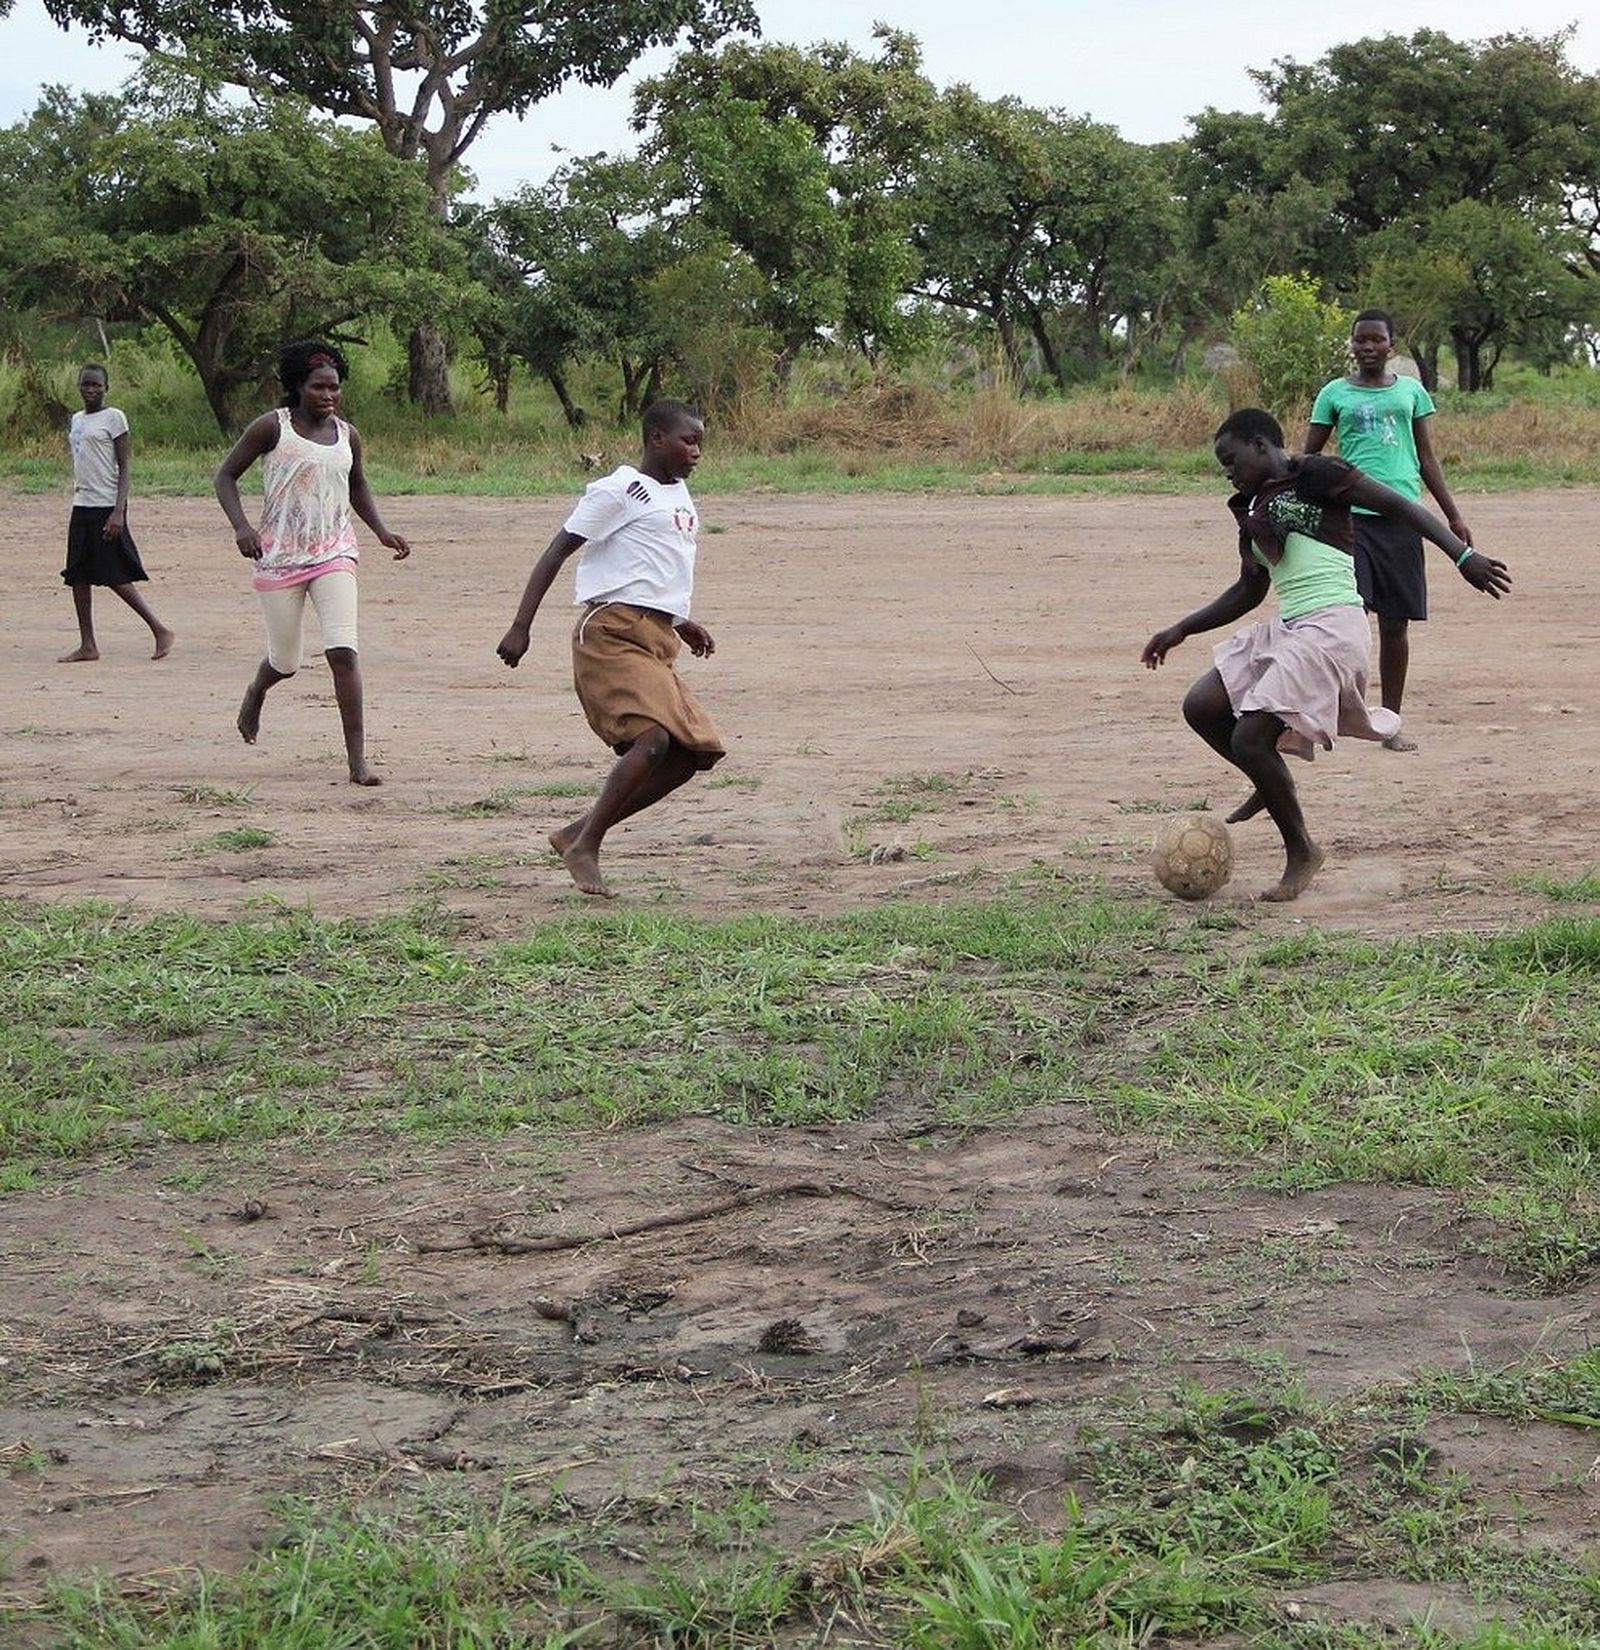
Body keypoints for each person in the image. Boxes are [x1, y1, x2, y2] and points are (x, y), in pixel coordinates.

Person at [1141, 408, 1510, 902]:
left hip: (1332, 627)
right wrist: (1182, 627)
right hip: (1292, 629)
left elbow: (1402, 507)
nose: (1227, 472)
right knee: (1201, 706)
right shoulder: (1250, 512)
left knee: (1250, 738)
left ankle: (1301, 850)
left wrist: (1463, 556)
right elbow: (1249, 591)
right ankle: (1268, 776)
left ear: (1261, 445)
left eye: (1231, 460)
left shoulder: (1315, 475)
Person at [496, 399, 724, 897]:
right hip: (611, 634)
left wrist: (681, 620)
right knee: (653, 741)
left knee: (691, 754)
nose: (697, 452)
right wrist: (521, 626)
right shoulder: (619, 490)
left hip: (657, 639)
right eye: (688, 441)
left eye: (701, 443)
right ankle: (586, 845)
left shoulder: (681, 495)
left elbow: (652, 567)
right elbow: (556, 552)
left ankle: (576, 833)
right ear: (656, 438)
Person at [214, 341, 411, 786]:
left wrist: (381, 531)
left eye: (334, 388)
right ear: (297, 388)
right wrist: (241, 527)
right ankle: (258, 690)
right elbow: (224, 476)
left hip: (334, 553)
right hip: (279, 557)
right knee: (285, 660)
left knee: (343, 652)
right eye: (319, 387)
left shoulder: (347, 434)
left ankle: (357, 760)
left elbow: (357, 484)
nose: (328, 395)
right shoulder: (271, 428)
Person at [1305, 309, 1471, 751]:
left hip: (1402, 522)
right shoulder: (1334, 394)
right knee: (1348, 621)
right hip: (1350, 522)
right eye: (1360, 340)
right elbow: (1310, 460)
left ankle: (1390, 722)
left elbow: (1427, 458)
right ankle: (1337, 714)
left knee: (1396, 625)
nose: (1368, 347)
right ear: (1352, 345)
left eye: (1377, 340)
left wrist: (1452, 515)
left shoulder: (1411, 393)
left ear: (1390, 347)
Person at [58, 363, 174, 663]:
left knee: (114, 575)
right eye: (86, 384)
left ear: (106, 388)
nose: (91, 389)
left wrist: (119, 511)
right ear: (79, 387)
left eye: (97, 385)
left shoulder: (115, 417)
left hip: (106, 506)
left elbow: (124, 468)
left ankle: (159, 628)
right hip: (81, 504)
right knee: (78, 576)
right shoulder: (77, 420)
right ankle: (88, 644)